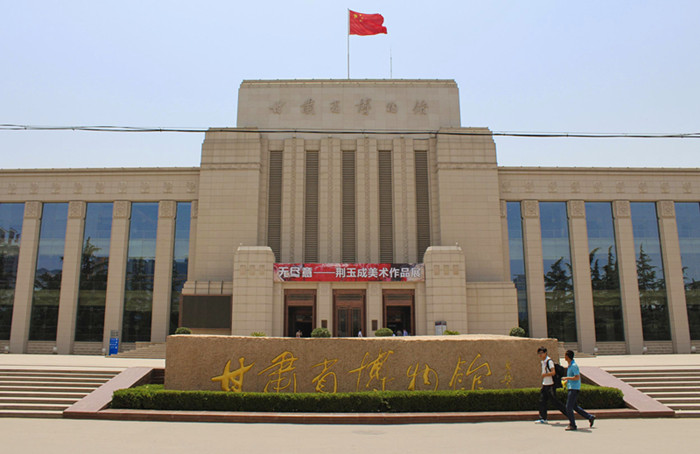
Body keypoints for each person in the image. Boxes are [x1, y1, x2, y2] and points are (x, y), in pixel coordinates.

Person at [561, 350, 596, 431]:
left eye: (565, 355)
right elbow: (573, 377)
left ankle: (572, 425)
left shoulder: (573, 366)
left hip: (574, 389)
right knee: (574, 406)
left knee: (568, 407)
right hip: (571, 387)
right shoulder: (570, 365)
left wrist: (567, 378)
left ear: (568, 356)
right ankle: (590, 417)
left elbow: (577, 377)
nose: (564, 357)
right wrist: (567, 381)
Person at [535, 346, 567, 424]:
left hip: (550, 384)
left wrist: (545, 375)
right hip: (545, 384)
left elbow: (553, 372)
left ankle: (569, 414)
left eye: (541, 353)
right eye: (539, 353)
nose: (540, 355)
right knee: (542, 401)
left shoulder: (549, 361)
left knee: (555, 402)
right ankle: (543, 418)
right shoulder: (543, 361)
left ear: (545, 353)